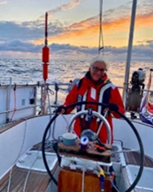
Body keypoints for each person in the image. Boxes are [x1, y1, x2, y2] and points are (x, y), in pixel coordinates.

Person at [56, 55, 125, 144]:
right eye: (96, 68)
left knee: (100, 156)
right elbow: (69, 103)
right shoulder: (79, 85)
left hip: (102, 132)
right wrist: (63, 109)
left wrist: (115, 108)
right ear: (90, 68)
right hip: (79, 130)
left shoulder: (111, 88)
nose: (98, 72)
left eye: (102, 70)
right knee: (77, 155)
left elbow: (121, 112)